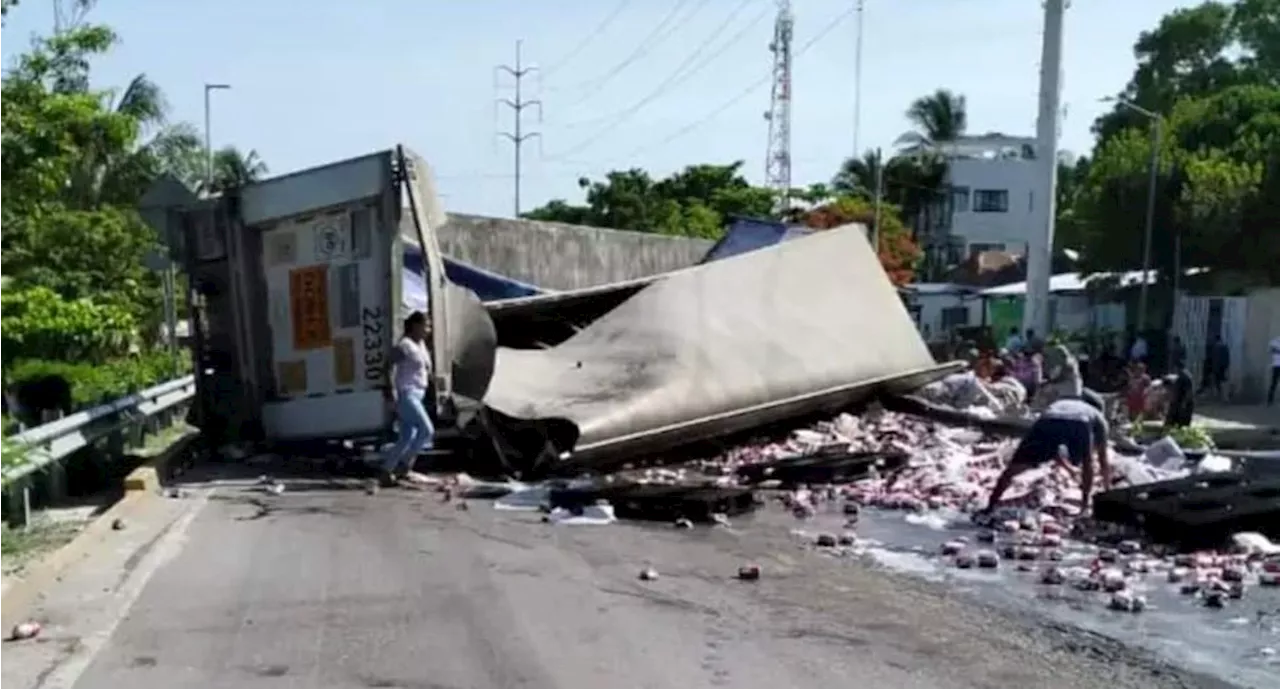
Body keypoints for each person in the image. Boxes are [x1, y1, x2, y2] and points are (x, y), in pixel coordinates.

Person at [982, 394, 1111, 515]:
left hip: (1048, 419)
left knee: (1016, 465)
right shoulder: (1098, 416)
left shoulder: (1063, 403)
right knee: (1087, 462)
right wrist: (1107, 490)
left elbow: (1052, 448)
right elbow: (1103, 461)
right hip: (1079, 424)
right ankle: (1084, 508)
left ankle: (991, 504)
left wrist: (1068, 468)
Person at [375, 311, 435, 488]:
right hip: (406, 395)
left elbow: (423, 370)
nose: (428, 330)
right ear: (415, 326)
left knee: (407, 437)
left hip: (418, 394)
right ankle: (404, 465)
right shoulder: (405, 345)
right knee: (426, 430)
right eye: (426, 326)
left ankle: (385, 471)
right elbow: (388, 367)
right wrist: (390, 390)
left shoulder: (421, 344)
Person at [1200, 335, 1230, 400]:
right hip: (1223, 367)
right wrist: (1226, 366)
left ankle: (1221, 396)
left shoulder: (1216, 347)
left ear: (1216, 339)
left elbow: (1215, 359)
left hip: (1217, 367)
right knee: (1221, 380)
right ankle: (1223, 396)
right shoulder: (1225, 347)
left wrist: (1213, 367)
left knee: (1217, 381)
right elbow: (1227, 358)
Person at [1269, 334, 1280, 406]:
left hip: (1276, 364)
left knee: (1274, 382)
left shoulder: (1274, 342)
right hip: (1276, 364)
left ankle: (1271, 399)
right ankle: (1270, 399)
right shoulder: (1274, 342)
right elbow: (1272, 350)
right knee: (1274, 382)